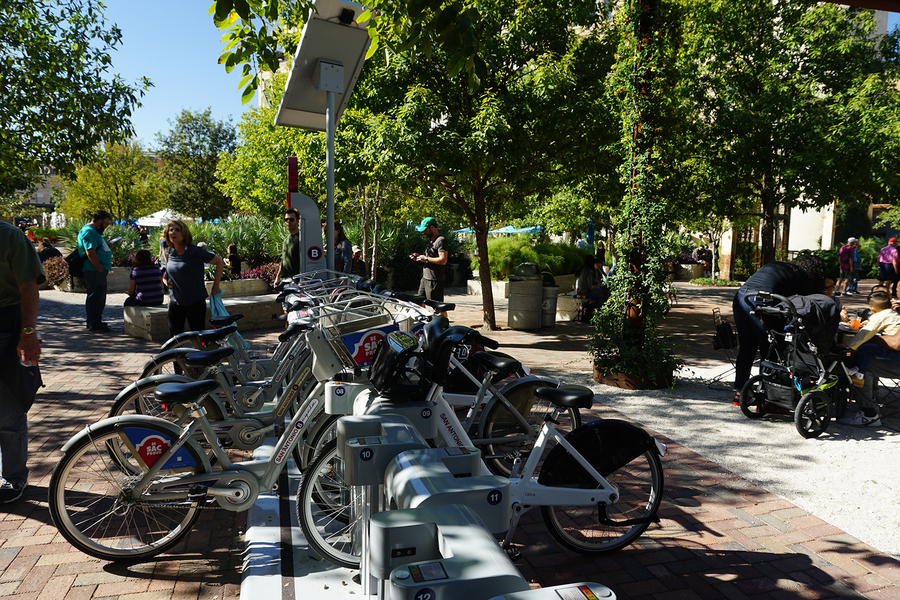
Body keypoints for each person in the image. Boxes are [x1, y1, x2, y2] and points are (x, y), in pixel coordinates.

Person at [732, 255, 826, 402]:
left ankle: (739, 393)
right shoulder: (803, 276)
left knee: (746, 348)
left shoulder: (780, 266)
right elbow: (811, 304)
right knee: (771, 349)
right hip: (763, 301)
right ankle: (765, 395)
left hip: (741, 297)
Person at [0, 220, 43, 503]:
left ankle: (14, 477)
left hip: (5, 327)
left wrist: (28, 333)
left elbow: (29, 286)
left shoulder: (10, 236)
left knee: (8, 408)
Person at [161, 220, 224, 337]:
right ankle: (177, 356)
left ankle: (206, 355)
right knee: (175, 340)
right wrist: (166, 281)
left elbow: (219, 262)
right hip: (175, 302)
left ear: (184, 234)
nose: (173, 232)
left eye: (177, 230)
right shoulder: (171, 252)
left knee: (199, 338)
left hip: (195, 302)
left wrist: (216, 287)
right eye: (171, 230)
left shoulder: (195, 251)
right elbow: (168, 273)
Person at [78, 210, 115, 332]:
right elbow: (90, 252)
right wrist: (99, 269)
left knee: (99, 297)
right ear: (99, 221)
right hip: (94, 270)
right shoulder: (88, 232)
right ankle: (93, 323)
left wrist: (107, 246)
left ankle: (96, 320)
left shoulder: (94, 232)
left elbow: (95, 248)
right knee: (95, 297)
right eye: (106, 224)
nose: (106, 226)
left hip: (98, 270)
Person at [410, 217, 448, 305]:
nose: (424, 232)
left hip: (434, 280)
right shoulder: (431, 241)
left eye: (425, 230)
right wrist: (420, 257)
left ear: (432, 227)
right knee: (419, 303)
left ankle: (442, 319)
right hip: (425, 278)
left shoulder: (440, 240)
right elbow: (429, 259)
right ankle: (424, 319)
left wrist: (426, 258)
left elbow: (443, 260)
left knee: (438, 307)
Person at [275, 208, 300, 282]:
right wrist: (278, 276)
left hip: (296, 279)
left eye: (291, 219)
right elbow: (283, 259)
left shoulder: (301, 238)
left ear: (298, 221)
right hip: (285, 278)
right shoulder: (287, 238)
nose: (288, 222)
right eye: (286, 220)